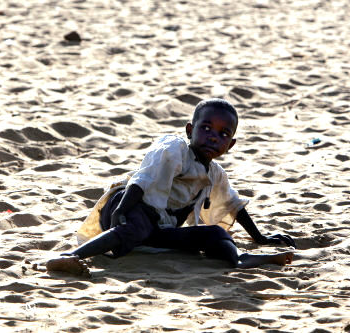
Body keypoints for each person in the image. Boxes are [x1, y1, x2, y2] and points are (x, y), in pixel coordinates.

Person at [47, 98, 295, 277]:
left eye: (223, 134)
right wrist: (122, 211)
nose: (213, 137)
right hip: (130, 206)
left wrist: (260, 238)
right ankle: (71, 257)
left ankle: (240, 259)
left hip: (159, 228)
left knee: (215, 234)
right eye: (206, 128)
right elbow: (142, 180)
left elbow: (233, 205)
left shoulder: (215, 174)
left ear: (230, 145)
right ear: (190, 130)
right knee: (136, 226)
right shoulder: (174, 149)